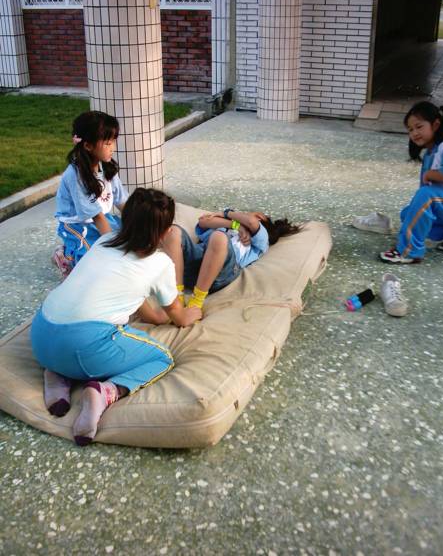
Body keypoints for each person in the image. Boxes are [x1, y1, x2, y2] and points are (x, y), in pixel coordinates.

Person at [31, 188, 202, 446]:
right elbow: (178, 317)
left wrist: (155, 318)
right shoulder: (161, 264)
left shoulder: (105, 240)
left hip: (41, 335)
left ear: (125, 219)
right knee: (162, 359)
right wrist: (193, 313)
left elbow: (130, 290)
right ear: (166, 232)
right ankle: (105, 392)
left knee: (71, 342)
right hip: (83, 346)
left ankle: (57, 375)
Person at [162, 208, 302, 309]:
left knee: (219, 238)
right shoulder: (226, 227)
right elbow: (203, 221)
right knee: (172, 231)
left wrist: (227, 213)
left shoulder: (261, 239)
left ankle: (196, 301)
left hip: (222, 271)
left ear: (260, 217)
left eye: (246, 213)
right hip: (194, 265)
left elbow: (251, 222)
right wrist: (235, 225)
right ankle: (177, 295)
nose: (243, 214)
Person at [52, 111, 128, 277]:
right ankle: (65, 256)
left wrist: (141, 224)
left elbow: (123, 202)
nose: (113, 148)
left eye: (113, 142)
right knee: (92, 261)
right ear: (88, 146)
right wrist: (113, 249)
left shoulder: (106, 166)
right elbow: (96, 217)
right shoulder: (76, 175)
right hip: (76, 224)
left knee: (131, 239)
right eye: (108, 143)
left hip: (102, 218)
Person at [379, 101, 443, 264]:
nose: (414, 133)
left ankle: (409, 251)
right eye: (410, 130)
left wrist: (431, 174)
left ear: (436, 124)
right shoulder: (430, 154)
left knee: (427, 197)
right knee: (408, 213)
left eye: (419, 127)